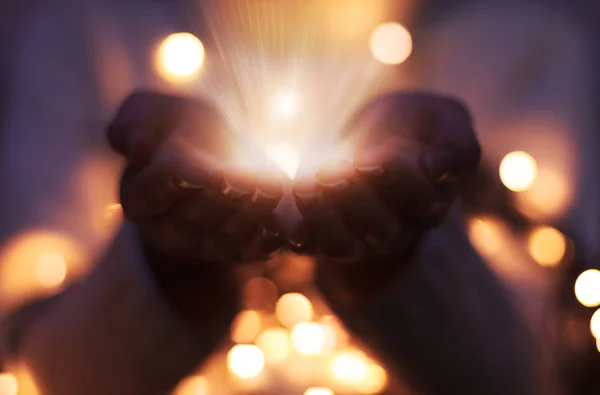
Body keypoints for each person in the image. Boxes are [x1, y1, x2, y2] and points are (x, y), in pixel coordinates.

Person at [0, 0, 571, 394]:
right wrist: (170, 270)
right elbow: (45, 370)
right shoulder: (88, 32)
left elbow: (538, 371)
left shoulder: (523, 45)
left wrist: (397, 261)